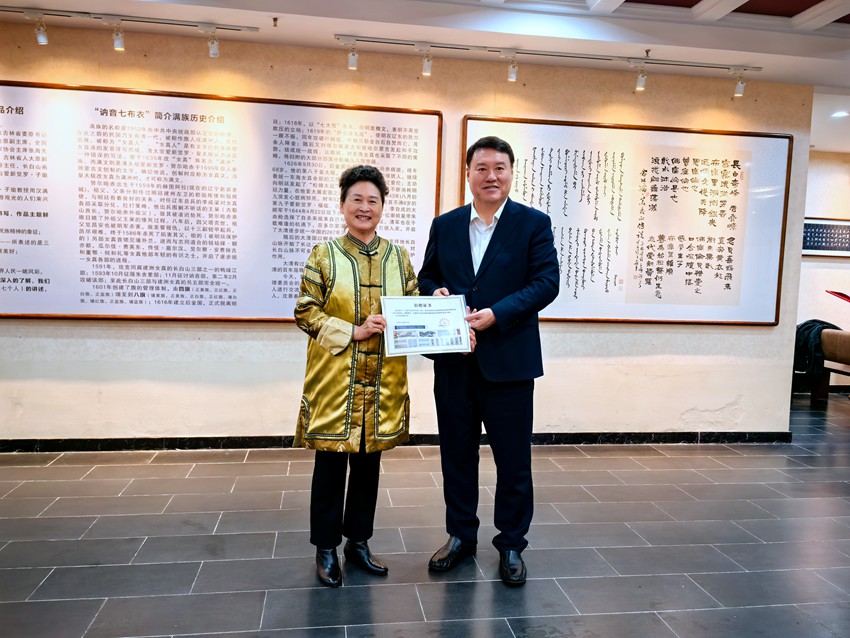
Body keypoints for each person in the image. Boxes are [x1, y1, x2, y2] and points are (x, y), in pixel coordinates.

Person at [418, 136, 560, 586]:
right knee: (456, 455)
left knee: (513, 461)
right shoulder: (446, 224)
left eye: (499, 167)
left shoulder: (533, 223)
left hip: (509, 361)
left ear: (511, 172)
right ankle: (461, 536)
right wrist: (435, 292)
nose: (491, 176)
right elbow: (426, 276)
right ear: (468, 174)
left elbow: (546, 282)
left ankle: (512, 543)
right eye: (481, 168)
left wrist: (497, 314)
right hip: (455, 362)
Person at [293, 165, 418, 588]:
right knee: (330, 466)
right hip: (337, 380)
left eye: (373, 200)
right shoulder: (324, 255)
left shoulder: (398, 258)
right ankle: (326, 547)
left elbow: (414, 306)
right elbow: (305, 311)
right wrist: (353, 331)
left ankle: (358, 542)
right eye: (357, 200)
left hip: (382, 380)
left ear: (382, 207)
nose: (365, 207)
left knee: (368, 465)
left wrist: (434, 304)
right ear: (343, 205)